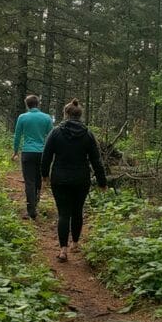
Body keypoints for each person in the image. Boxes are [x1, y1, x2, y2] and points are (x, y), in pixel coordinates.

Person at [41, 98, 107, 262]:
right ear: (80, 115)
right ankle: (75, 244)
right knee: (77, 211)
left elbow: (46, 156)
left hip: (60, 179)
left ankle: (63, 250)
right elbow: (96, 160)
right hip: (81, 179)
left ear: (66, 114)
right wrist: (102, 181)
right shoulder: (88, 134)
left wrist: (44, 176)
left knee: (63, 213)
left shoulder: (56, 132)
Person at [12, 94, 53, 220]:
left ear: (27, 105)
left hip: (27, 152)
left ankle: (31, 210)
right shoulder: (47, 118)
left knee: (29, 181)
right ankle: (36, 202)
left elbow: (17, 135)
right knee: (38, 179)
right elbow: (51, 136)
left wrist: (15, 151)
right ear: (38, 104)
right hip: (42, 153)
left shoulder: (22, 117)